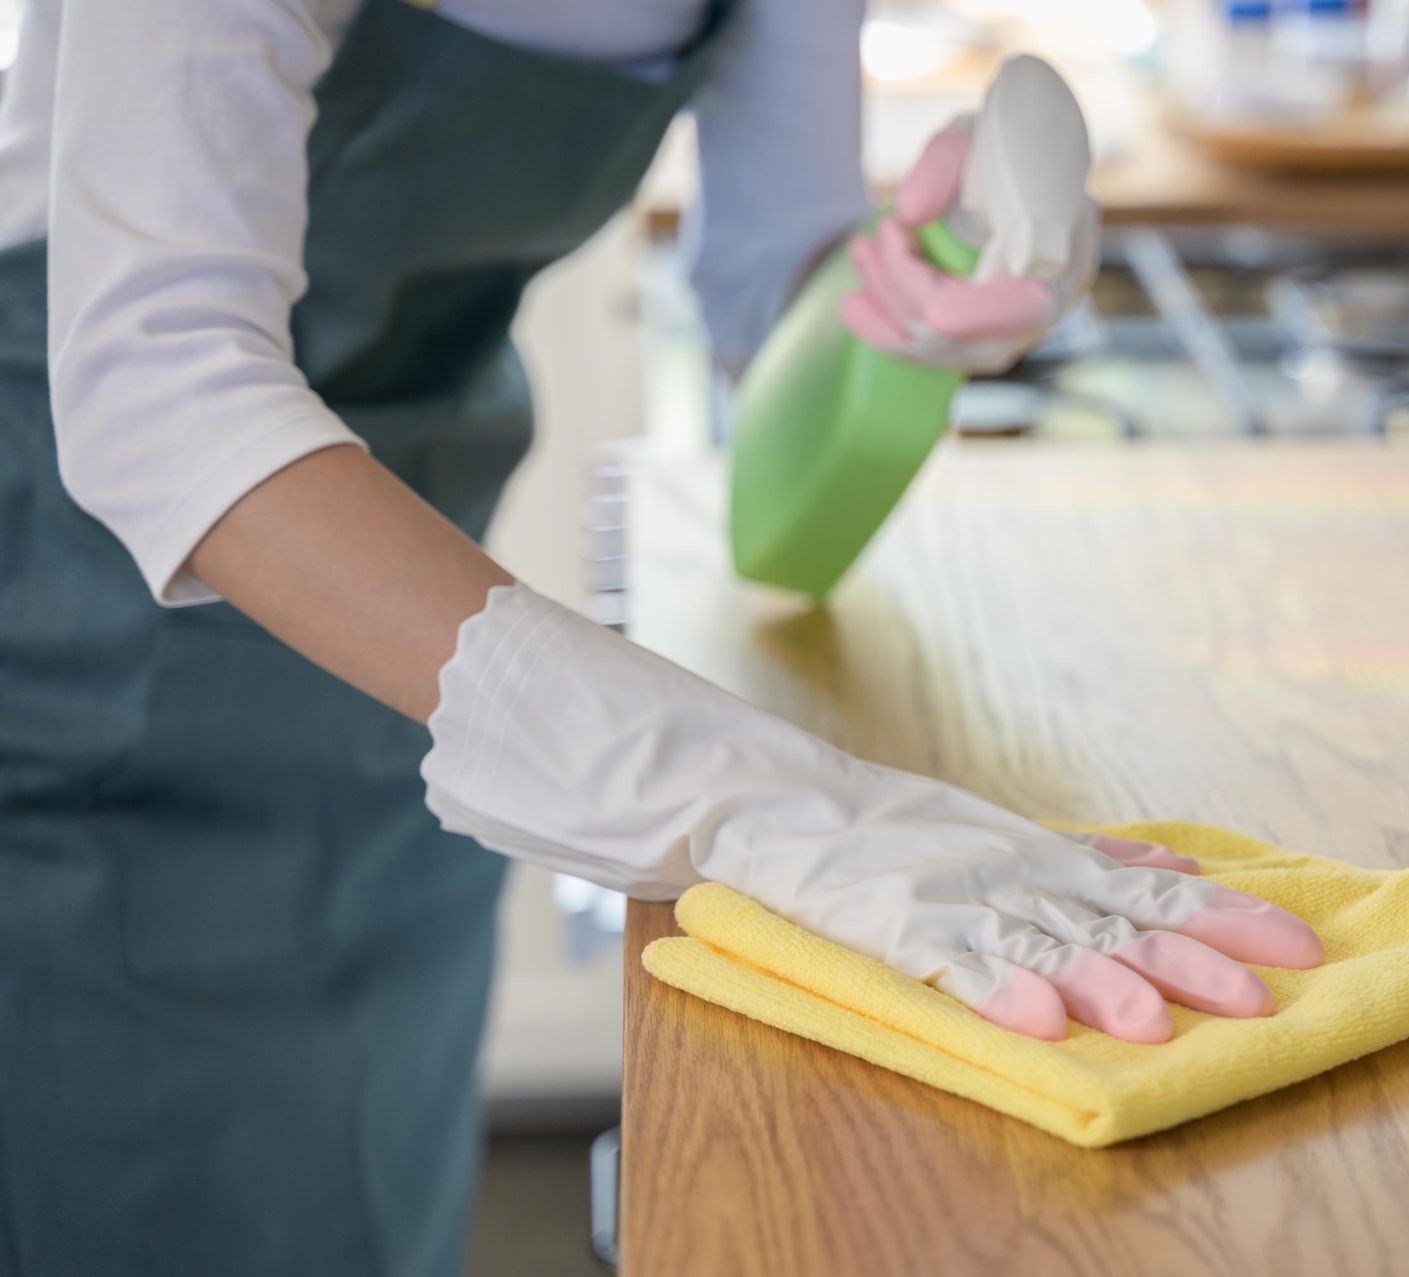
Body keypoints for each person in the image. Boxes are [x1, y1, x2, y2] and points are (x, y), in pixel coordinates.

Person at [0, 2, 1323, 1273]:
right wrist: (738, 784)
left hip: (423, 634)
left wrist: (914, 302)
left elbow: (772, 295)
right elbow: (160, 390)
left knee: (355, 1189)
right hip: (85, 601)